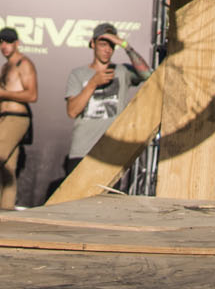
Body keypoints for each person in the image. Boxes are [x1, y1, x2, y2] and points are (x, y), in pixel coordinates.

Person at [58, 22, 152, 186]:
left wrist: (125, 45)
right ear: (93, 44)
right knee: (75, 205)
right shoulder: (78, 74)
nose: (107, 49)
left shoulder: (122, 71)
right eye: (103, 44)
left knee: (104, 205)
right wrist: (93, 83)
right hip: (82, 151)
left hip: (111, 153)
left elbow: (147, 74)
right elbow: (72, 111)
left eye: (111, 45)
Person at [0, 26, 38, 208]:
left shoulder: (24, 64)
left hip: (16, 118)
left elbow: (32, 95)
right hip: (4, 118)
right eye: (1, 41)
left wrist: (2, 92)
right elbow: (3, 95)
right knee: (7, 170)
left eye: (9, 41)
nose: (4, 45)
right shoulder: (6, 66)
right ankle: (5, 213)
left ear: (17, 43)